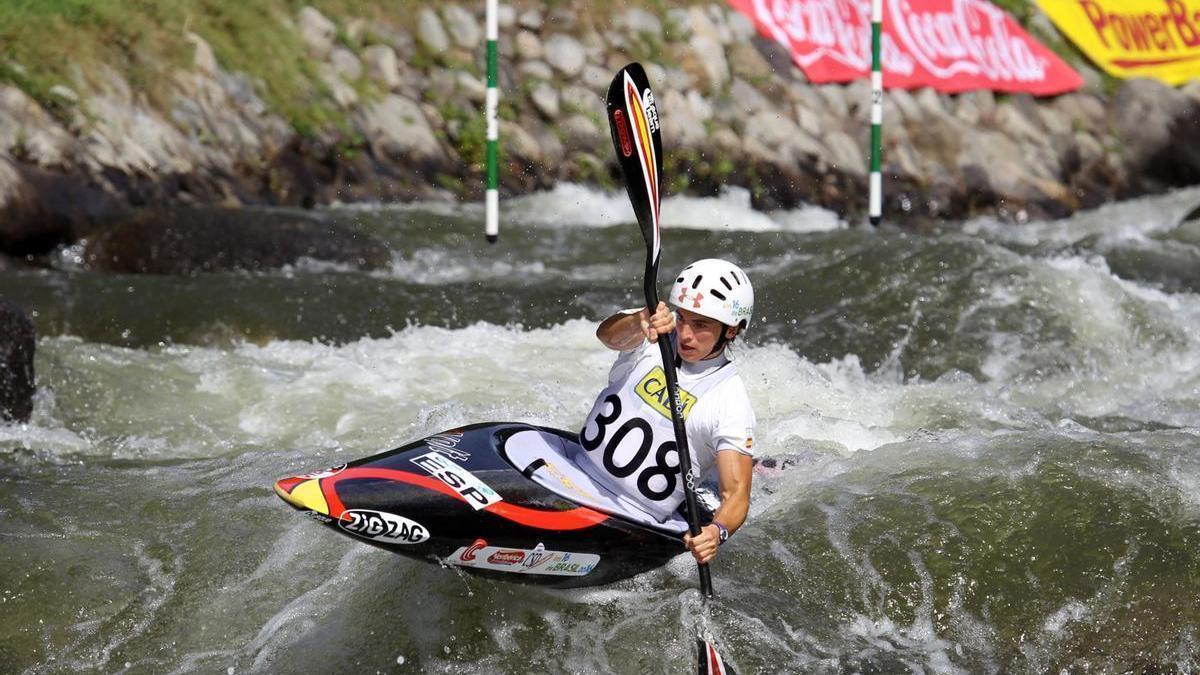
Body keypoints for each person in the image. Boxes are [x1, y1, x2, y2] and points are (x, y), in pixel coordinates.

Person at [577, 258, 756, 564]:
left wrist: (716, 532)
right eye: (683, 317)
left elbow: (736, 495)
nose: (685, 333)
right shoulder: (652, 339)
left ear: (731, 331)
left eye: (701, 325)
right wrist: (638, 321)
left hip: (632, 519)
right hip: (573, 473)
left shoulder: (730, 401)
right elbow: (607, 336)